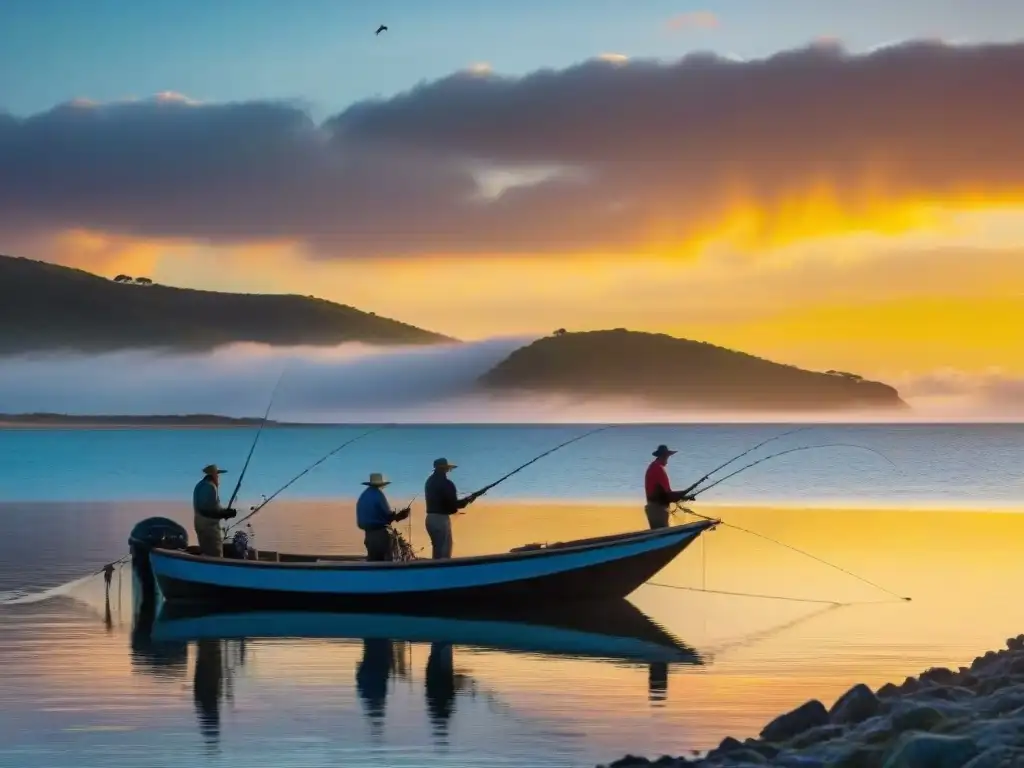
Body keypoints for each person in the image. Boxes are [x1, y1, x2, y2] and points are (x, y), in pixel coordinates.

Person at [423, 457, 481, 560]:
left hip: (430, 520)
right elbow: (453, 506)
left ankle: (436, 573)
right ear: (445, 469)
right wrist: (468, 500)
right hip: (441, 520)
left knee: (437, 551)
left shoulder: (429, 481)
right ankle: (442, 574)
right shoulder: (447, 483)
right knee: (444, 554)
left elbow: (445, 501)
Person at [356, 472, 411, 561]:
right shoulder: (378, 494)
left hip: (368, 535)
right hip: (380, 535)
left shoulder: (363, 495)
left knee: (373, 561)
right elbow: (388, 516)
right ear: (381, 485)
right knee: (385, 562)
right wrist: (401, 515)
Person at [644, 445, 695, 529]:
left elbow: (665, 494)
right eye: (666, 457)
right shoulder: (658, 469)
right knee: (661, 534)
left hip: (653, 508)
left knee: (658, 535)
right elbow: (667, 495)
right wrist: (683, 495)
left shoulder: (653, 467)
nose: (667, 460)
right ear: (662, 456)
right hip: (658, 509)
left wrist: (684, 496)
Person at [193, 464, 237, 557]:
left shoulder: (200, 485)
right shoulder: (209, 486)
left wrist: (225, 512)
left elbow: (211, 506)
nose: (218, 478)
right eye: (217, 475)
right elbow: (207, 510)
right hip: (209, 528)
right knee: (215, 554)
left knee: (207, 552)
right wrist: (224, 514)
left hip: (202, 525)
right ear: (213, 475)